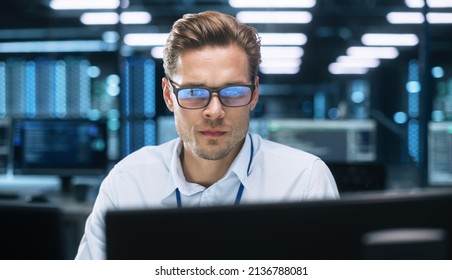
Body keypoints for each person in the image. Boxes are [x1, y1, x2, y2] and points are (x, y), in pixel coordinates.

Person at [75, 10, 339, 260]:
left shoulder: (304, 182)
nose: (214, 111)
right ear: (169, 95)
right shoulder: (127, 183)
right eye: (193, 93)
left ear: (254, 93)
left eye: (233, 92)